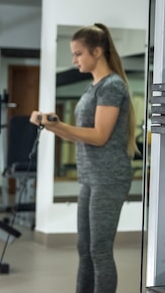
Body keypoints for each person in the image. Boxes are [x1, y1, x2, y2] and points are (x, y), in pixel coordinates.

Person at [30, 23, 136, 293]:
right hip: (91, 176)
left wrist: (59, 126)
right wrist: (52, 125)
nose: (74, 60)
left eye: (78, 54)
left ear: (97, 52)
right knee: (84, 248)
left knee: (99, 249)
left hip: (109, 177)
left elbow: (99, 136)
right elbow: (79, 134)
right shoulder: (93, 87)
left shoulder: (112, 86)